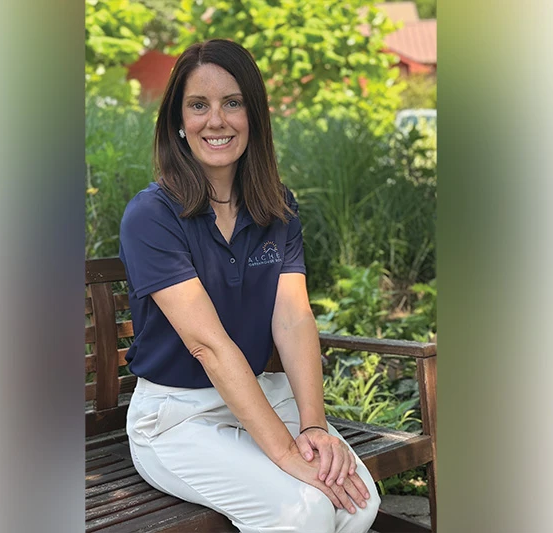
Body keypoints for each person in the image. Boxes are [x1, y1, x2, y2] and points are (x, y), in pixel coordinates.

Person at [118, 39, 381, 533]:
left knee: (356, 504)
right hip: (177, 417)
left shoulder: (276, 206)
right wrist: (285, 452)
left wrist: (313, 428)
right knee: (304, 513)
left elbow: (294, 317)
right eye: (199, 105)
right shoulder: (151, 216)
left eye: (232, 103)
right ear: (178, 121)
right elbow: (208, 346)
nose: (215, 120)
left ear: (253, 116)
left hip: (259, 394)